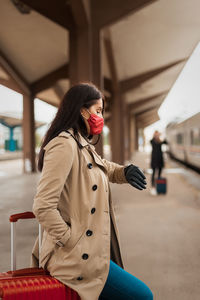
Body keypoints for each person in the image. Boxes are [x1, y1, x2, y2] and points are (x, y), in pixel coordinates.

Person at [31, 83, 153, 300]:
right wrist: (70, 240)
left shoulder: (81, 144)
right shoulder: (64, 145)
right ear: (82, 110)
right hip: (75, 256)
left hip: (92, 249)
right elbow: (43, 205)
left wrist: (124, 172)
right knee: (142, 296)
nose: (100, 117)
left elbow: (103, 167)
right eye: (98, 111)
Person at [150, 130, 167, 195]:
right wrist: (155, 137)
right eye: (156, 134)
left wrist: (161, 135)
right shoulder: (152, 141)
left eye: (157, 134)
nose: (157, 136)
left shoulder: (161, 141)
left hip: (160, 160)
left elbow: (166, 142)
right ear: (154, 135)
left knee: (159, 175)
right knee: (153, 174)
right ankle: (152, 187)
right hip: (154, 160)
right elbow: (151, 141)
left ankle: (158, 187)